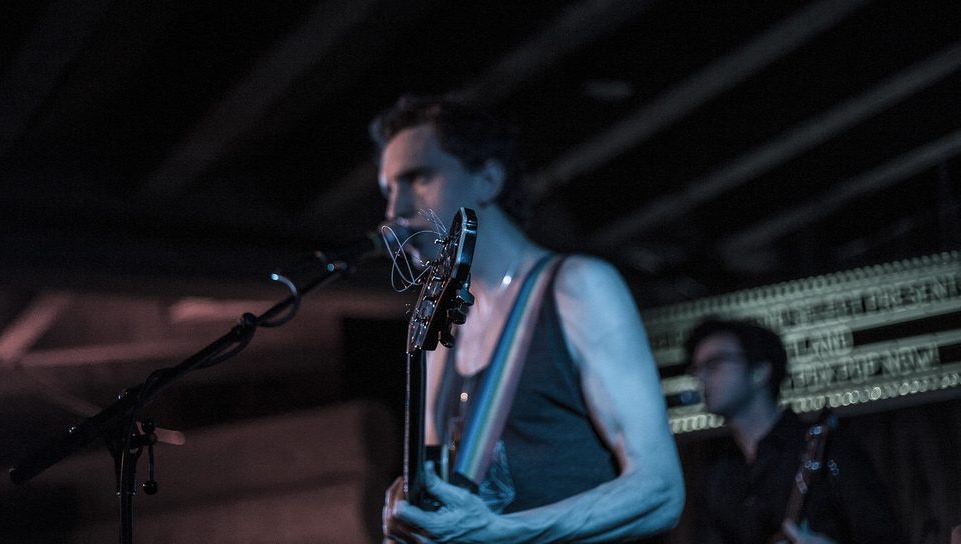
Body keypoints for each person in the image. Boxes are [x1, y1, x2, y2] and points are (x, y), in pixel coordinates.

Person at [371, 94, 684, 543]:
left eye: (417, 177)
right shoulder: (442, 328)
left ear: (488, 180)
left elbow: (661, 491)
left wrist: (502, 532)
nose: (394, 209)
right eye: (387, 190)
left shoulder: (578, 285)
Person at [683, 319, 905, 544]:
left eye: (714, 363)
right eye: (696, 369)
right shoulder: (716, 481)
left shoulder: (831, 451)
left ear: (760, 371)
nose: (700, 378)